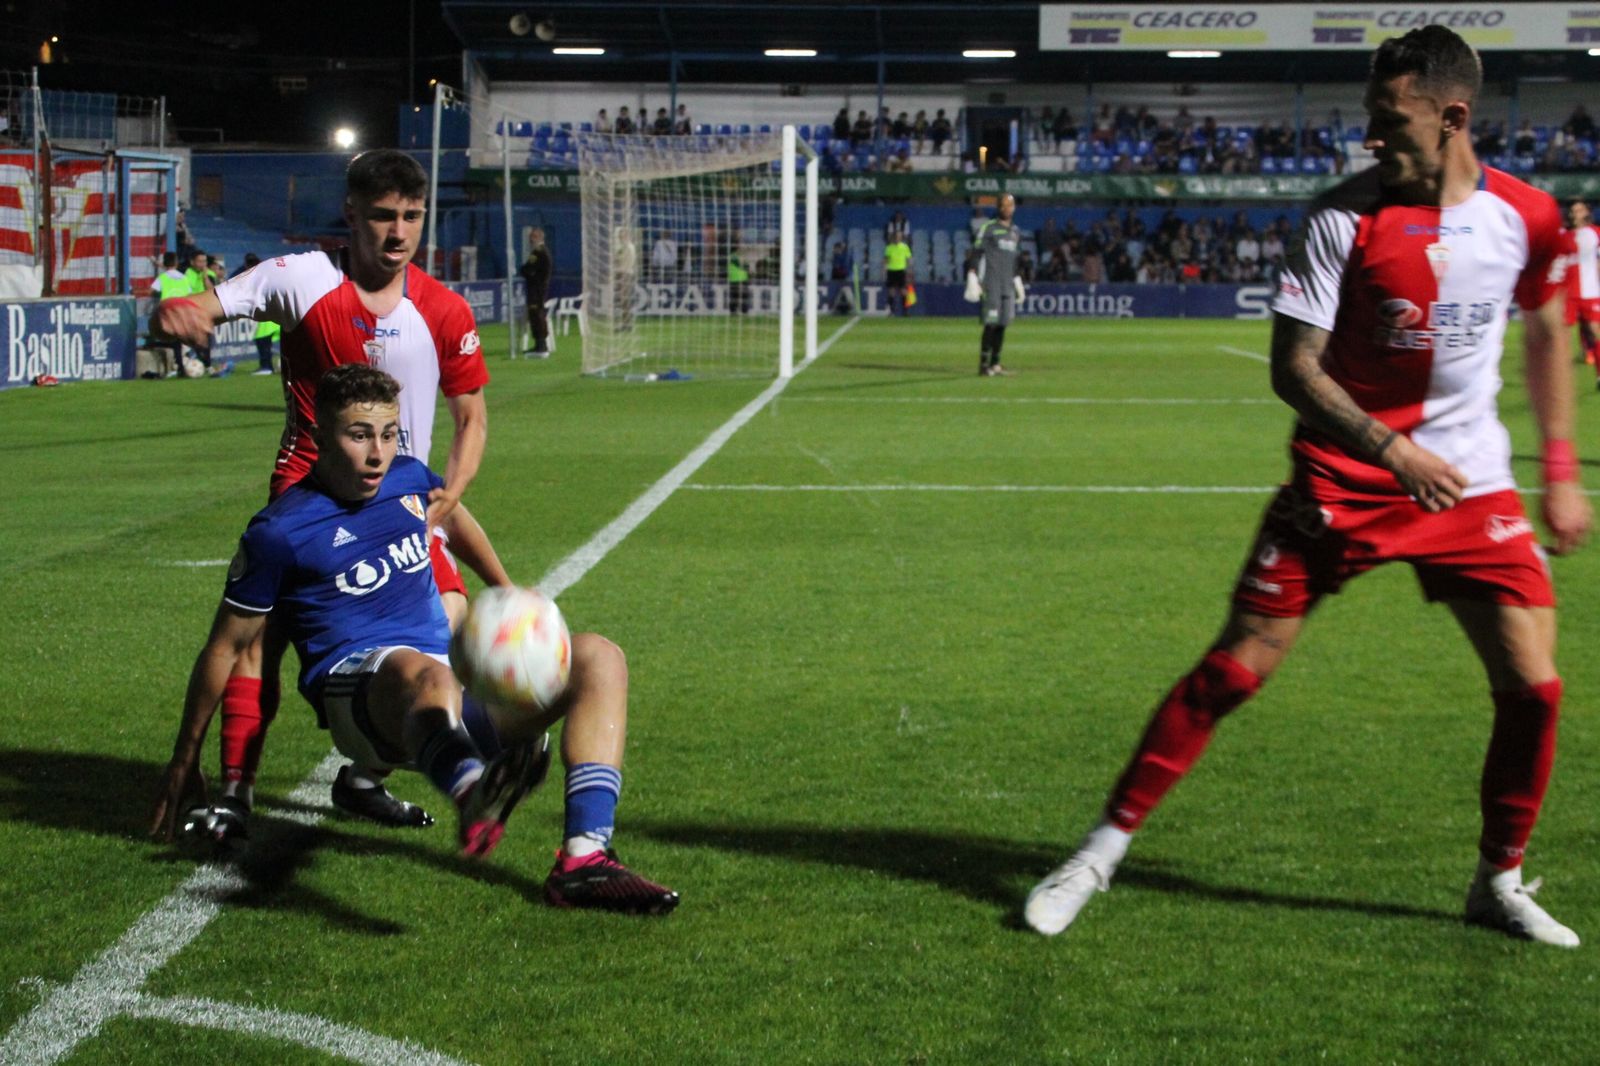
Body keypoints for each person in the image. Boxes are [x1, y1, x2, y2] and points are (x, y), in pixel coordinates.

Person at [1023, 25, 1591, 948]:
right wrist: (1392, 450)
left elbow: (1547, 329)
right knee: (1236, 667)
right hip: (1345, 481)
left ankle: (1498, 881)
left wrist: (1559, 470)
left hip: (1471, 485)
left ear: (1452, 117)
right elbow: (1294, 369)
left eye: (1389, 119)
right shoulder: (1341, 218)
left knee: (1535, 687)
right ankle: (1097, 854)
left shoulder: (1526, 216)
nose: (1370, 136)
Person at [150, 364, 679, 913]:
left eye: (387, 434)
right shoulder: (279, 532)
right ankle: (472, 792)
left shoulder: (407, 478)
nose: (377, 454)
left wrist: (507, 591)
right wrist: (185, 759)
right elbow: (228, 649)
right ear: (319, 435)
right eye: (359, 435)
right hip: (362, 701)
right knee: (424, 673)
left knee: (598, 657)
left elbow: (455, 519)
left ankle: (584, 860)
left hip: (444, 692)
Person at [151, 149, 499, 838]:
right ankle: (236, 792)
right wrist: (179, 312)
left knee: (443, 635)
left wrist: (450, 495)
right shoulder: (301, 278)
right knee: (260, 642)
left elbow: (473, 417)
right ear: (351, 213)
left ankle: (364, 777)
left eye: (412, 216)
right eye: (382, 215)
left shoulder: (444, 308)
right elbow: (203, 307)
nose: (398, 232)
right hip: (308, 498)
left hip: (401, 501)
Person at [965, 193, 1025, 376]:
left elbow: (1015, 259)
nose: (1006, 208)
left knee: (1002, 324)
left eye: (1009, 205)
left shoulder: (1015, 231)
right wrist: (972, 274)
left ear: (1014, 208)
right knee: (990, 324)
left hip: (1007, 284)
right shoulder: (988, 228)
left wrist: (1017, 280)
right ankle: (983, 365)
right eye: (1003, 205)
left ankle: (995, 363)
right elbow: (976, 252)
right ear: (998, 207)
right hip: (991, 283)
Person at [1564, 200, 1600, 382]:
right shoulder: (1565, 235)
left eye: (1579, 210)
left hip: (1590, 292)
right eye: (1573, 210)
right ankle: (1559, 377)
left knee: (1595, 332)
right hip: (1568, 294)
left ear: (1587, 212)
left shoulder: (1596, 232)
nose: (1575, 213)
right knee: (1561, 336)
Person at [231, 254, 281, 375]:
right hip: (276, 311)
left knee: (262, 338)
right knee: (265, 339)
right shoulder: (266, 272)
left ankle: (266, 366)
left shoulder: (255, 275)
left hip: (270, 313)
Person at [150, 251, 191, 376]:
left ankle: (179, 366)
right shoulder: (184, 278)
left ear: (164, 263)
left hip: (168, 312)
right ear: (176, 263)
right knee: (179, 339)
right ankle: (182, 365)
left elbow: (152, 291)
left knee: (172, 339)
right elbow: (190, 294)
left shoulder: (162, 278)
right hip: (183, 311)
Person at [519, 227, 553, 357]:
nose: (530, 241)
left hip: (536, 290)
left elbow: (527, 269)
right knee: (538, 315)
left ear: (537, 238)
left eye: (532, 238)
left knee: (536, 316)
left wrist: (524, 270)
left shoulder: (538, 253)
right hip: (540, 289)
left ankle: (540, 345)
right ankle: (540, 344)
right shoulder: (544, 252)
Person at [882, 231, 911, 316]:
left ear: (901, 238)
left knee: (903, 291)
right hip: (891, 271)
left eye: (899, 237)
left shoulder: (905, 247)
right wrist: (884, 269)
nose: (897, 238)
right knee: (891, 292)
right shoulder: (889, 248)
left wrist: (909, 270)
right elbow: (886, 260)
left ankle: (905, 311)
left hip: (901, 271)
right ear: (893, 238)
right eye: (896, 237)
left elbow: (908, 259)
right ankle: (891, 311)